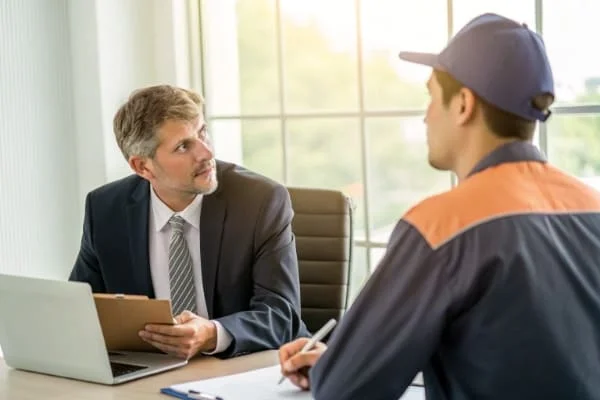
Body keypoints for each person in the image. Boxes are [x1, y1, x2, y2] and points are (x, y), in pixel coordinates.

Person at [278, 13, 600, 400]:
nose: (426, 114)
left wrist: (335, 368)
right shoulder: (592, 207)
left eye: (431, 96)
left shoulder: (442, 226)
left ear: (463, 104)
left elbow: (344, 390)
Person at [70, 85, 308, 359]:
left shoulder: (260, 201)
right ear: (142, 167)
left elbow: (282, 316)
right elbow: (80, 309)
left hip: (244, 368)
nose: (206, 153)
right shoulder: (105, 209)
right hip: (151, 372)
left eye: (202, 132)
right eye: (184, 146)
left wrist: (211, 334)